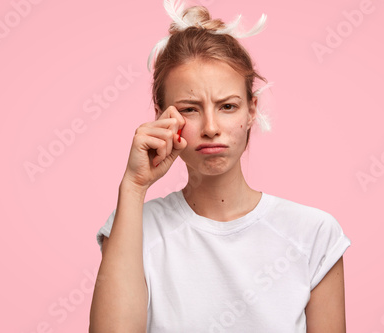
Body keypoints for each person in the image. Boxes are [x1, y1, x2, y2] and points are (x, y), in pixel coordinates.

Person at [89, 1, 351, 332]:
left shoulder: (314, 234)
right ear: (162, 115)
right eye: (190, 108)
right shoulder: (134, 228)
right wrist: (133, 185)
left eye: (227, 106)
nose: (211, 127)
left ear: (251, 110)